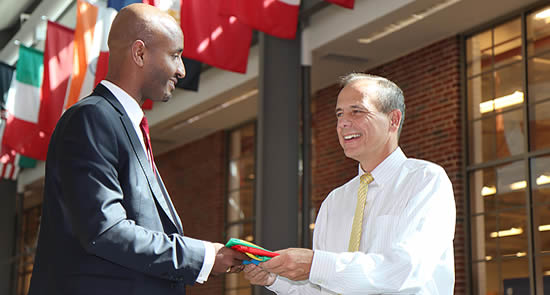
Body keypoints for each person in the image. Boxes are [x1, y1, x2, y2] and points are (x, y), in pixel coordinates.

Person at [27, 4, 246, 295]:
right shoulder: (92, 119)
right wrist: (204, 257)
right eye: (175, 55)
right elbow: (106, 231)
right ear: (140, 53)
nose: (181, 70)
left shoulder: (120, 124)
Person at [244, 73, 456, 294]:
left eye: (357, 111)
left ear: (393, 120)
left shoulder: (425, 180)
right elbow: (324, 289)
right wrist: (275, 279)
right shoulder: (334, 201)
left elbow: (406, 269)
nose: (343, 122)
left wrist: (315, 265)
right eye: (339, 114)